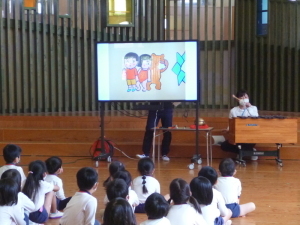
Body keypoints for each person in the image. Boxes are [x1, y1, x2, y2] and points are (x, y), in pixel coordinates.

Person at [221, 89, 259, 160]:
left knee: (246, 143)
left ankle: (244, 152)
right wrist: (228, 129)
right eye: (242, 98)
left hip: (250, 135)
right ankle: (243, 152)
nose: (244, 99)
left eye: (246, 97)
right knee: (224, 146)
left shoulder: (253, 108)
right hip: (237, 136)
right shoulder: (233, 110)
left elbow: (256, 119)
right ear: (238, 99)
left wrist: (249, 107)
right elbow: (231, 124)